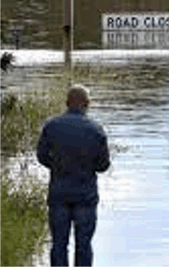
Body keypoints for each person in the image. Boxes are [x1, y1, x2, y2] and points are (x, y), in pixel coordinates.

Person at [37, 84, 110, 267]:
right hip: (85, 195)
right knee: (84, 245)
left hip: (59, 194)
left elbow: (41, 156)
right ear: (87, 103)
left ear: (67, 102)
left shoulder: (51, 126)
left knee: (59, 245)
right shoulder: (96, 130)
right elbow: (103, 166)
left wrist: (57, 166)